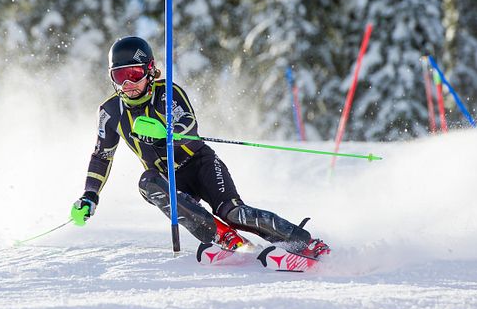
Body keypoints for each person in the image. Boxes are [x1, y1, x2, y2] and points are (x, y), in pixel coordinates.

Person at [70, 36, 329, 257]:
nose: (128, 85)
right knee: (147, 183)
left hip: (200, 164)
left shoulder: (167, 93)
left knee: (234, 213)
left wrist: (166, 134)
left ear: (149, 70)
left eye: (133, 75)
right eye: (120, 76)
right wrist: (90, 195)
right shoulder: (110, 111)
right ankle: (223, 237)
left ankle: (304, 243)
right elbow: (101, 156)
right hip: (170, 180)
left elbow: (189, 125)